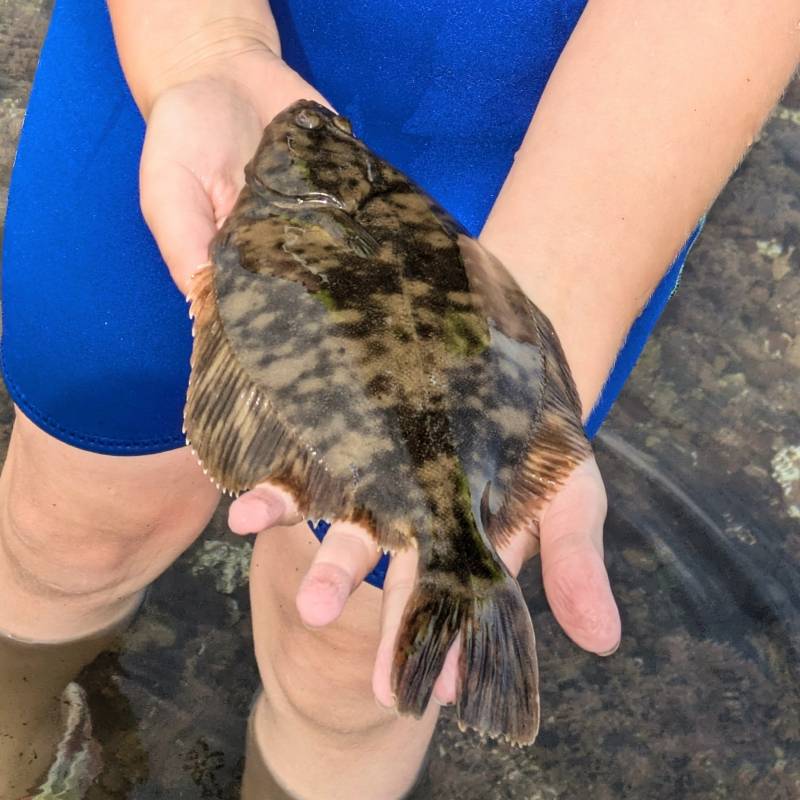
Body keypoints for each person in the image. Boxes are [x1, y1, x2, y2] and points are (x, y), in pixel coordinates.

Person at [0, 0, 797, 797]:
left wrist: (525, 329)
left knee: (352, 664)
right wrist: (203, 49)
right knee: (70, 527)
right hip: (178, 39)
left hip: (569, 133)